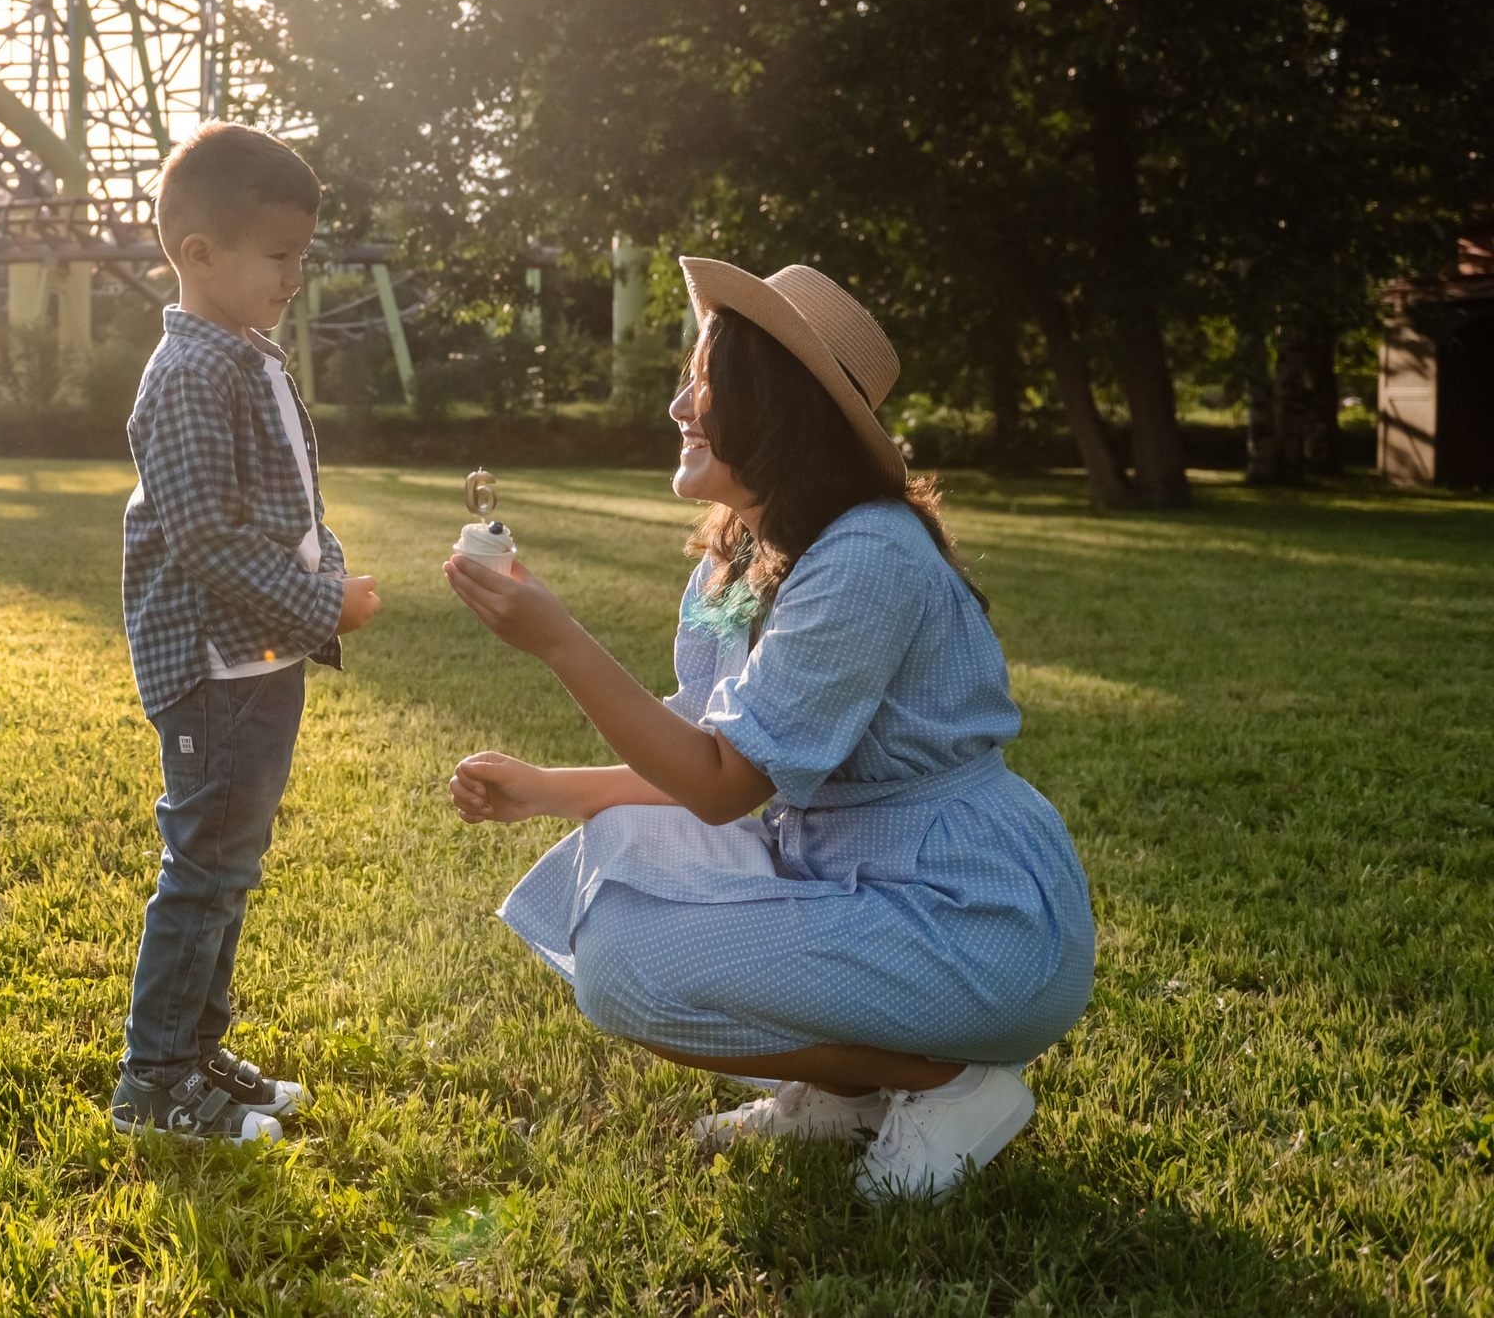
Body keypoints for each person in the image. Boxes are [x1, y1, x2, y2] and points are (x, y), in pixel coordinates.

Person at [443, 260, 1094, 1204]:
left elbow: (719, 784)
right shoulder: (738, 553)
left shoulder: (867, 553)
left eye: (703, 385)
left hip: (968, 916)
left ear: (777, 408)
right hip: (835, 870)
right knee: (614, 852)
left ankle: (948, 1084)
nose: (678, 406)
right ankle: (848, 1092)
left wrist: (559, 641)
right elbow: (704, 733)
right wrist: (551, 787)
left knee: (630, 967)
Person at [111, 121, 386, 1142]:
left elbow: (282, 509)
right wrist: (327, 605)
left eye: (301, 256)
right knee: (206, 860)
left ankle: (193, 1043)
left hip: (257, 656)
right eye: (280, 255)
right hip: (213, 664)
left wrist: (328, 571)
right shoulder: (189, 374)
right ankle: (152, 1078)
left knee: (234, 852)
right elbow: (204, 541)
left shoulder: (241, 356)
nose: (296, 276)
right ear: (200, 256)